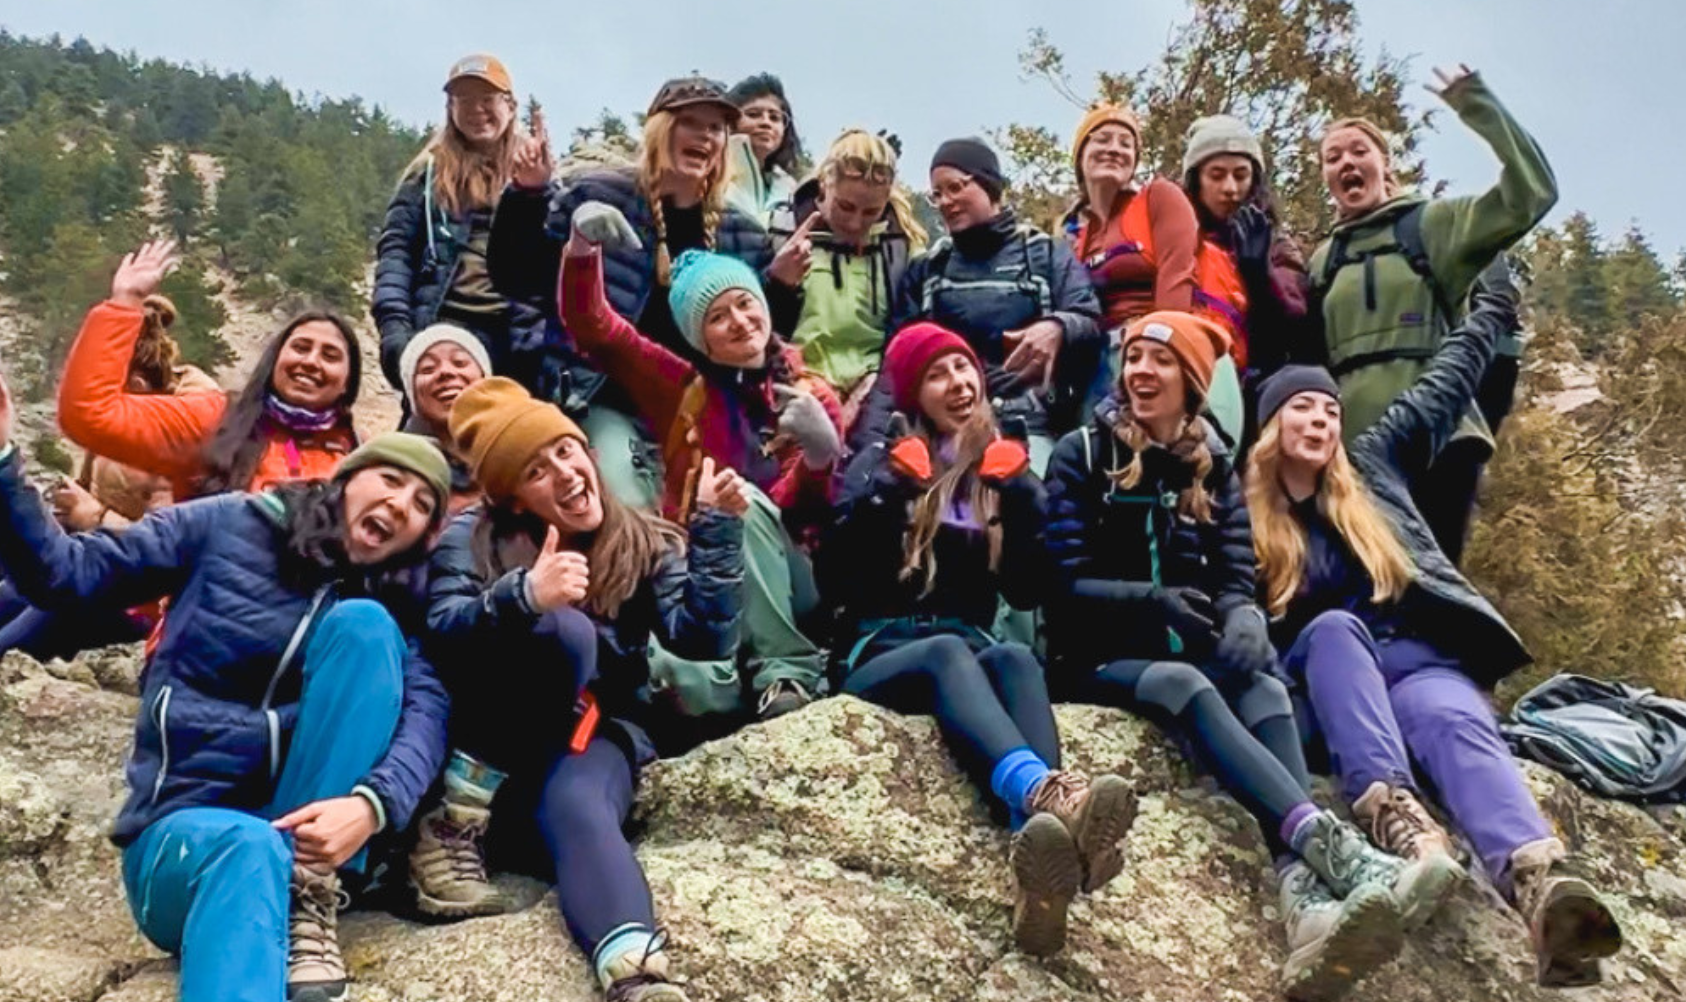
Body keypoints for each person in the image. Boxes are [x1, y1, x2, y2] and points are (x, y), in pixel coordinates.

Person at [0, 357, 453, 1002]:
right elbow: (67, 577)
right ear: (344, 481)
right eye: (390, 481)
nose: (401, 504)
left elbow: (428, 712)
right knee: (249, 846)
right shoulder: (233, 523)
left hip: (306, 844)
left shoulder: (393, 597)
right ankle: (288, 887)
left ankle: (309, 891)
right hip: (185, 839)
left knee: (366, 627)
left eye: (423, 504)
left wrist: (371, 806)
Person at [1042, 310, 1446, 1001]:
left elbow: (1233, 572)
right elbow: (1058, 582)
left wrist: (1244, 613)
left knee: (1261, 686)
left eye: (1159, 361)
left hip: (1192, 651)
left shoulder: (1213, 464)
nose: (1140, 371)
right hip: (1095, 660)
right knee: (1185, 685)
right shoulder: (1081, 453)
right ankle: (1330, 847)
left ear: (1193, 381)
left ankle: (1302, 901)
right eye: (1133, 357)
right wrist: (1150, 600)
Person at [1245, 265, 1624, 989]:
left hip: (1410, 665)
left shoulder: (1375, 469)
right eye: (1301, 408)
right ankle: (1405, 827)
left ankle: (1541, 888)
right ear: (1270, 426)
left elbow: (1443, 384)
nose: (1322, 420)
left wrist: (1491, 313)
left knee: (1452, 714)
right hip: (1325, 690)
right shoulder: (1246, 521)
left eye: (1329, 409)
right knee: (1331, 630)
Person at [418, 377, 743, 1001]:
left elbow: (703, 638)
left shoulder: (641, 538)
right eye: (537, 471)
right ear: (513, 499)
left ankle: (637, 977)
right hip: (491, 758)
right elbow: (441, 631)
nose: (564, 474)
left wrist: (718, 531)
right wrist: (522, 596)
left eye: (566, 452)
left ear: (589, 453)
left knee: (579, 805)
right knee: (564, 630)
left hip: (589, 741)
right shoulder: (475, 536)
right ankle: (454, 822)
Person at [824, 323, 1137, 958]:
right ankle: (1046, 791)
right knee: (948, 652)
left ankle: (1039, 850)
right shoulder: (880, 457)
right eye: (938, 374)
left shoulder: (999, 462)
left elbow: (1025, 592)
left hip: (967, 651)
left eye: (964, 368)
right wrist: (886, 494)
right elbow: (830, 580)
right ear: (915, 392)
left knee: (1016, 657)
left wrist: (1024, 498)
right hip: (881, 653)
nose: (959, 383)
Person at [559, 219, 838, 721]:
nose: (739, 321)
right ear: (699, 337)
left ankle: (786, 672)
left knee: (746, 503)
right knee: (682, 685)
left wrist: (819, 459)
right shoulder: (684, 389)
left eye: (745, 303)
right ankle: (730, 685)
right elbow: (595, 326)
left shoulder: (810, 395)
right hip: (705, 581)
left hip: (795, 576)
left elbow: (815, 517)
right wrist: (582, 248)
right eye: (716, 316)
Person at [1307, 64, 1558, 563]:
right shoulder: (1322, 261)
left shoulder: (1432, 225)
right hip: (1354, 452)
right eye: (1333, 158)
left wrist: (1476, 103)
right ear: (1327, 179)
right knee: (1371, 592)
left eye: (1360, 151)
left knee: (1435, 590)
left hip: (1439, 438)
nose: (1347, 163)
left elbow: (1531, 195)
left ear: (1387, 166)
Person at [500, 76, 784, 510]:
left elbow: (761, 337)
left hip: (704, 409)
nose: (704, 136)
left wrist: (783, 287)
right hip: (602, 396)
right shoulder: (595, 195)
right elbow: (518, 278)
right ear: (659, 129)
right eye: (691, 122)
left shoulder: (741, 232)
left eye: (716, 128)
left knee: (743, 511)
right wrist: (528, 195)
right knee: (628, 503)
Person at [0, 295, 224, 675]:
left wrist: (93, 515)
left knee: (59, 614)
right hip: (102, 560)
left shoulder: (182, 435)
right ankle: (2, 671)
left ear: (138, 385)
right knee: (7, 601)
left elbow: (169, 551)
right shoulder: (120, 420)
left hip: (149, 596)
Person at [855, 137, 1102, 471]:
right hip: (942, 432)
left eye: (955, 187)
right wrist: (868, 453)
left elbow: (1088, 319)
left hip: (1029, 427)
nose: (945, 202)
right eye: (937, 194)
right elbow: (895, 365)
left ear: (989, 185)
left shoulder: (1045, 253)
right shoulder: (927, 269)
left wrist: (1058, 327)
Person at [58, 240, 362, 502]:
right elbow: (90, 415)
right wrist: (125, 302)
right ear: (274, 360)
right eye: (300, 347)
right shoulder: (214, 420)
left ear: (348, 383)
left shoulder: (359, 454)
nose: (310, 361)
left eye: (331, 355)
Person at [373, 53, 554, 393]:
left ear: (511, 106)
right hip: (443, 328)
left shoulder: (538, 172)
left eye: (487, 99)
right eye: (464, 100)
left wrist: (535, 192)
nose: (476, 109)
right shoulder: (425, 176)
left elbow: (547, 262)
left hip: (515, 337)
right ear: (450, 109)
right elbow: (395, 254)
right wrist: (396, 331)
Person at [767, 128, 926, 427]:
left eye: (871, 212)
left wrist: (873, 387)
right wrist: (778, 283)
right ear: (824, 187)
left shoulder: (901, 248)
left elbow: (906, 332)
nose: (856, 223)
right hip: (796, 382)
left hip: (874, 389)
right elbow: (759, 327)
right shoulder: (780, 231)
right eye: (846, 207)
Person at [1180, 114, 1312, 388]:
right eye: (1216, 175)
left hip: (1260, 386)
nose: (1230, 188)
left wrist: (1261, 277)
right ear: (1197, 180)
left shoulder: (1278, 245)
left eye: (1241, 175)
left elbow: (1299, 329)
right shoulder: (1177, 242)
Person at [1060, 102, 1198, 329]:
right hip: (1099, 353)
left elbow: (1178, 285)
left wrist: (1158, 348)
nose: (1114, 149)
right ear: (1080, 156)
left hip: (1162, 344)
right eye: (1102, 139)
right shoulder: (1076, 240)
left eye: (1126, 144)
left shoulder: (1159, 198)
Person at [394, 322, 493, 517]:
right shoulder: (395, 468)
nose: (445, 372)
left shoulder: (520, 453)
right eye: (428, 369)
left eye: (460, 363)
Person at [725, 71, 806, 224]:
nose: (766, 123)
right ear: (730, 122)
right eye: (754, 114)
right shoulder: (712, 176)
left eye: (774, 117)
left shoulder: (791, 190)